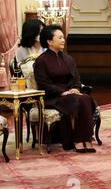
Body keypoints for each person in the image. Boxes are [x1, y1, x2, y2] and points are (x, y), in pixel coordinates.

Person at [34, 25, 97, 153]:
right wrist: (62, 92)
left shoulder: (68, 58)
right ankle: (78, 140)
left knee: (85, 98)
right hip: (53, 97)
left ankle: (86, 139)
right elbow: (43, 83)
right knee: (76, 100)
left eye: (63, 37)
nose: (63, 40)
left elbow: (76, 78)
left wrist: (75, 88)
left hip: (70, 94)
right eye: (60, 37)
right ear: (49, 41)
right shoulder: (41, 61)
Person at [16, 20, 46, 88]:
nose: (42, 35)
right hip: (28, 83)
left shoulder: (47, 48)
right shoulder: (21, 50)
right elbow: (22, 70)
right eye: (39, 33)